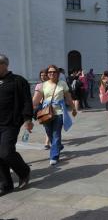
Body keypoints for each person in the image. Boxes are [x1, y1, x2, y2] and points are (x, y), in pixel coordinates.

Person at [0, 54, 33, 196]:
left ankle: (24, 171)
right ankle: (5, 184)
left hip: (10, 123)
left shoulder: (18, 81)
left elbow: (27, 101)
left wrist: (27, 119)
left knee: (6, 152)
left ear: (4, 64)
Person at [33, 65, 77, 165]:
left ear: (57, 73)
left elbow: (68, 98)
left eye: (54, 72)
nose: (52, 74)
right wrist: (28, 108)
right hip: (46, 112)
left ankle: (54, 156)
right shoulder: (43, 85)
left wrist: (73, 108)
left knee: (56, 134)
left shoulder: (62, 84)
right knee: (49, 133)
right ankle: (58, 146)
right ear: (47, 74)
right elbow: (36, 99)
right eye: (49, 72)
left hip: (59, 113)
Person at [33, 69, 51, 150]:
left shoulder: (52, 84)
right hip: (41, 106)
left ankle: (47, 142)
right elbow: (35, 98)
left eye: (44, 75)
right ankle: (50, 137)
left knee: (48, 124)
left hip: (51, 106)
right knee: (46, 124)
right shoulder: (39, 85)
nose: (43, 77)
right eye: (41, 75)